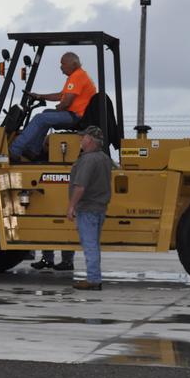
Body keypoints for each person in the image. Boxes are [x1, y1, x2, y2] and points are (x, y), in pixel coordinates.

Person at [9, 51, 96, 163]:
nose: (61, 67)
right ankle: (33, 150)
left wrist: (58, 108)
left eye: (63, 64)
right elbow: (61, 95)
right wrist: (40, 96)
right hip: (75, 114)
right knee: (45, 113)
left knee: (40, 118)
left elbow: (66, 102)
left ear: (73, 64)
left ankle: (15, 150)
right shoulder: (78, 76)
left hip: (75, 116)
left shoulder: (77, 76)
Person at [67, 125, 114, 291]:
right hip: (99, 207)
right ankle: (94, 277)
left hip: (87, 208)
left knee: (90, 245)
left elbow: (80, 187)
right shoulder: (104, 158)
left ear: (90, 140)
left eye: (83, 137)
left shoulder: (88, 160)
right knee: (94, 244)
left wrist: (71, 206)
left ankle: (93, 280)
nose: (81, 139)